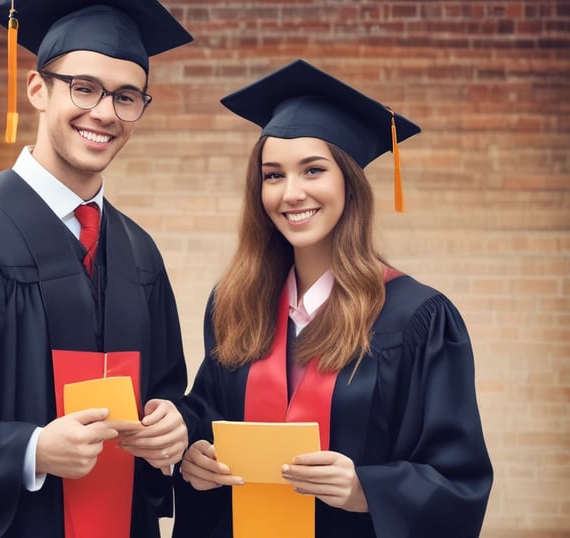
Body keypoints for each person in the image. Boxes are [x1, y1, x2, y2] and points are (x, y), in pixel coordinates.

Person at [0, 1, 195, 537]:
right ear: (37, 89)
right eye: (84, 87)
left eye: (126, 97)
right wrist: (32, 450)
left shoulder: (140, 254)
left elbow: (163, 391)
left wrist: (173, 427)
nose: (104, 113)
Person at [172, 59, 493, 538]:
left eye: (313, 170)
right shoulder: (234, 302)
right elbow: (210, 410)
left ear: (349, 182)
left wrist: (366, 490)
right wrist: (194, 452)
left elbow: (458, 480)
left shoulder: (417, 319)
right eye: (273, 175)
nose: (291, 193)